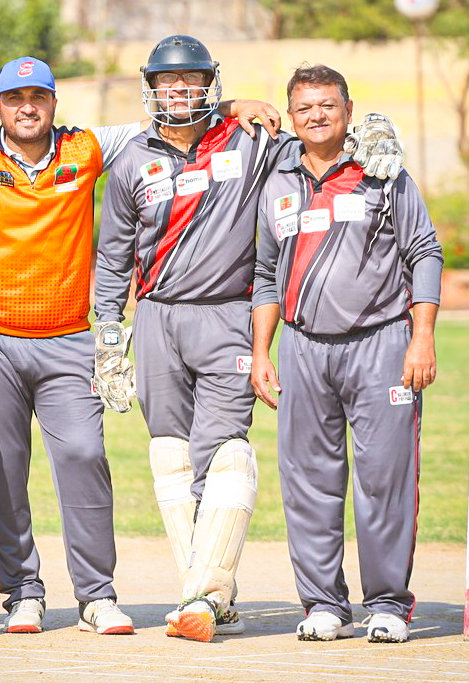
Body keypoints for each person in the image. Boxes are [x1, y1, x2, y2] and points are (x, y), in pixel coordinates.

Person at [0, 56, 277, 637]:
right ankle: (23, 593)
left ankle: (97, 595)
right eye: (15, 99)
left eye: (38, 97)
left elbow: (172, 118)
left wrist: (232, 106)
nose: (27, 108)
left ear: (53, 103)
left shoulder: (87, 148)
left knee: (85, 458)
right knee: (0, 473)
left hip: (68, 339)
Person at [93, 37, 405, 643]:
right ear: (150, 87)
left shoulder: (253, 141)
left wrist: (372, 130)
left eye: (190, 79)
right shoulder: (131, 158)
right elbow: (112, 257)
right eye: (166, 81)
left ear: (210, 83)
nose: (178, 90)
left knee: (225, 449)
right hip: (155, 316)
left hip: (228, 315)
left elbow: (320, 145)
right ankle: (208, 594)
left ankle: (203, 596)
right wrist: (108, 335)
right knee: (171, 456)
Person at [250, 64, 443, 644]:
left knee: (384, 480)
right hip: (303, 347)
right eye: (305, 107)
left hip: (381, 344)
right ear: (291, 116)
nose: (317, 116)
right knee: (308, 482)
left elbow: (425, 251)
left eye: (328, 105)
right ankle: (323, 604)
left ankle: (387, 603)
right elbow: (265, 274)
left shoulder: (382, 171)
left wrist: (422, 336)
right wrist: (262, 352)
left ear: (348, 110)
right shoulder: (277, 181)